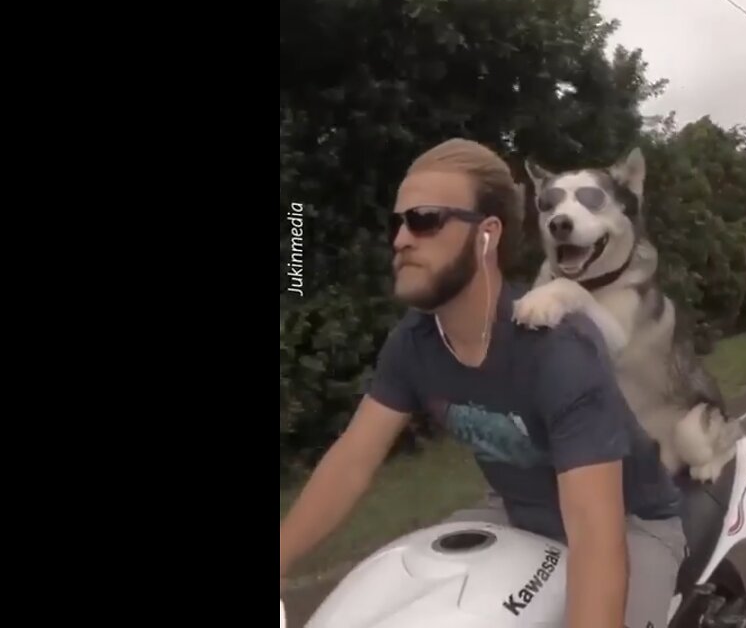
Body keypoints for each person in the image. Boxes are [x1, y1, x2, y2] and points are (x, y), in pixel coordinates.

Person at [279, 138, 686, 628]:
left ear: (487, 236)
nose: (402, 239)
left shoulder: (560, 350)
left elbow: (595, 536)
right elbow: (351, 462)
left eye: (425, 219)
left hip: (629, 522)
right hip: (510, 512)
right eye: (397, 222)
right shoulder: (414, 342)